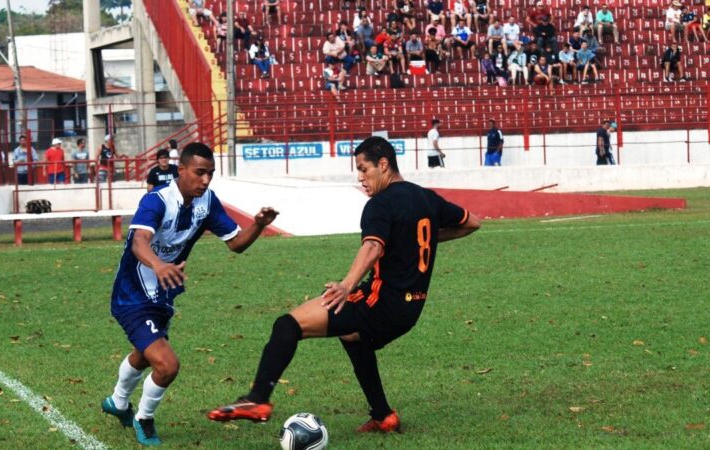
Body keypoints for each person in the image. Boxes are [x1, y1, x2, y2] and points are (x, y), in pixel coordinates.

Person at [206, 137, 481, 433]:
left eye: (364, 169)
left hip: (380, 304)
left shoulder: (380, 204)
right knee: (352, 337)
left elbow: (373, 248)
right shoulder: (427, 198)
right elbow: (472, 222)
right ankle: (383, 416)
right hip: (411, 309)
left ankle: (258, 399)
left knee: (287, 325)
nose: (360, 177)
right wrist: (412, 242)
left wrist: (346, 285)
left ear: (384, 164)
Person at [101, 143, 279, 446]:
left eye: (210, 173)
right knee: (167, 365)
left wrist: (258, 225)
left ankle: (117, 402)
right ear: (180, 170)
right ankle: (143, 418)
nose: (206, 180)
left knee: (146, 355)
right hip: (132, 293)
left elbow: (236, 243)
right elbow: (139, 242)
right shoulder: (156, 200)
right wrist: (158, 265)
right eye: (199, 173)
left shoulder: (207, 202)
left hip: (164, 292)